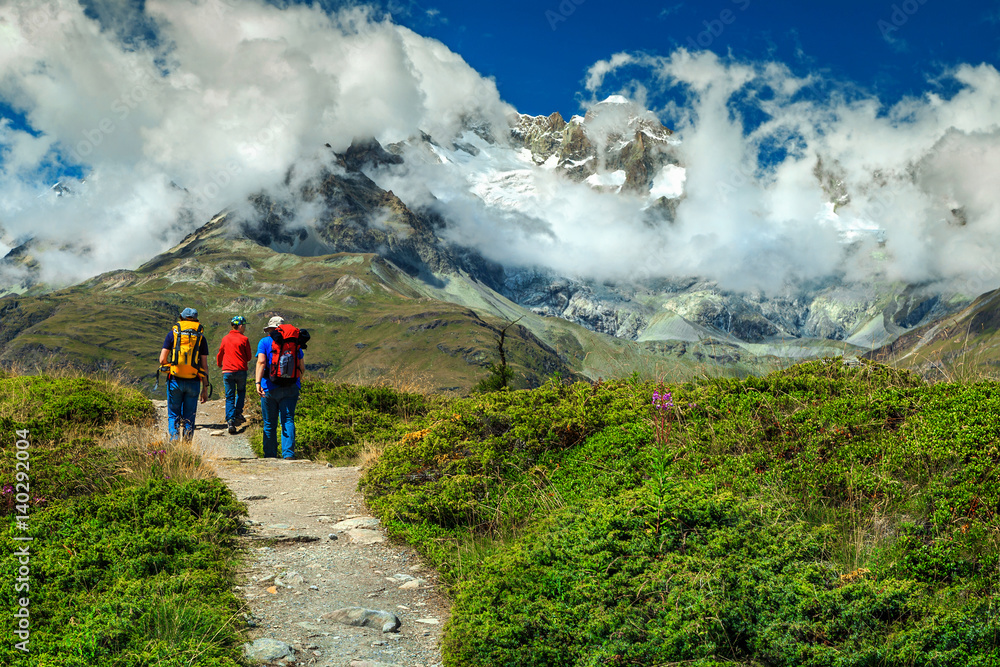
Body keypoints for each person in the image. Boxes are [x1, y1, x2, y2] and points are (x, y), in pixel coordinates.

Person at [255, 316, 305, 459]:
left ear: (271, 329)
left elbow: (261, 362)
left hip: (269, 388)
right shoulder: (294, 343)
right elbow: (302, 367)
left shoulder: (264, 342)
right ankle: (288, 454)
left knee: (270, 423)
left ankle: (270, 455)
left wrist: (258, 383)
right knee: (288, 420)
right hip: (291, 387)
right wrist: (296, 382)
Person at [159, 307, 210, 441]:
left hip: (175, 379)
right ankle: (187, 447)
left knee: (173, 414)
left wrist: (172, 366)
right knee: (189, 416)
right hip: (193, 380)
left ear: (181, 318)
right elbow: (204, 366)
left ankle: (174, 441)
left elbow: (162, 360)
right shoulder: (201, 338)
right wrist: (205, 388)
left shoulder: (173, 334)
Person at [217, 315, 253, 434]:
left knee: (230, 396)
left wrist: (219, 364)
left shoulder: (225, 338)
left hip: (227, 371)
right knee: (241, 391)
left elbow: (220, 353)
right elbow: (249, 357)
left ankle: (230, 421)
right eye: (244, 326)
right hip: (241, 370)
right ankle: (238, 412)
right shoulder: (244, 339)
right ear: (240, 326)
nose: (245, 328)